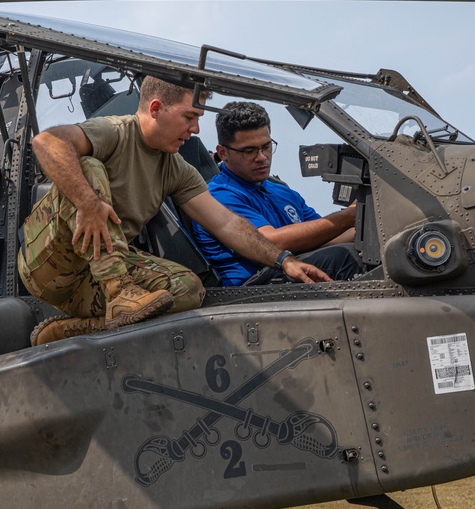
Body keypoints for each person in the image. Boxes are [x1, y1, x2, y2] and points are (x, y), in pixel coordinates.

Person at [18, 77, 332, 345]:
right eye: (189, 117)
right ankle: (119, 293)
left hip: (90, 281)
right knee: (88, 167)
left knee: (188, 290)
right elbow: (47, 142)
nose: (196, 129)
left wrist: (284, 260)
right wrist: (88, 203)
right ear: (156, 109)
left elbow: (226, 223)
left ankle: (71, 332)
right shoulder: (114, 132)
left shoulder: (175, 168)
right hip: (49, 263)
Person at [194, 101, 363, 286]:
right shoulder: (218, 195)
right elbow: (269, 242)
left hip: (291, 273)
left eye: (266, 147)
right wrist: (347, 216)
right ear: (223, 153)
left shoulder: (282, 192)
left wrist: (366, 222)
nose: (262, 157)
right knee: (343, 257)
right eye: (249, 151)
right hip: (253, 291)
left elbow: (324, 236)